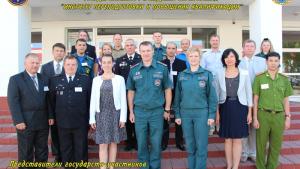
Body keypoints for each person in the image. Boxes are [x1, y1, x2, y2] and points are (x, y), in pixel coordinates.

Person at [127, 41, 172, 169]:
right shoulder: (134, 70)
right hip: (139, 112)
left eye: (148, 50)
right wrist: (131, 111)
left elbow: (168, 90)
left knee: (156, 142)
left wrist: (167, 110)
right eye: (143, 51)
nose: (146, 53)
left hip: (157, 112)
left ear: (153, 51)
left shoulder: (162, 68)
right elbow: (131, 92)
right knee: (141, 143)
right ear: (139, 52)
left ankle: (155, 166)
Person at [173, 47, 217, 169]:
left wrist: (211, 115)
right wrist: (177, 114)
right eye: (191, 56)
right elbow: (177, 96)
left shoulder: (207, 74)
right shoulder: (182, 75)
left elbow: (212, 97)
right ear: (187, 58)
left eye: (196, 56)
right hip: (185, 114)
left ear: (200, 58)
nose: (193, 58)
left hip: (202, 114)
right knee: (190, 146)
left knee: (201, 146)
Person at [7, 53, 54, 169]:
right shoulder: (16, 79)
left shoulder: (44, 78)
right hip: (25, 122)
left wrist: (50, 116)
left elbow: (48, 99)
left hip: (42, 121)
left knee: (42, 150)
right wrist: (18, 121)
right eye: (32, 62)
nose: (35, 65)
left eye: (37, 63)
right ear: (25, 64)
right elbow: (13, 102)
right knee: (26, 152)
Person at [49, 55, 91, 167]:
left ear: (77, 66)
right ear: (64, 65)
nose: (71, 67)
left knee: (81, 147)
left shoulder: (85, 79)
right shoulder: (55, 80)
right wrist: (51, 116)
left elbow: (89, 101)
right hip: (62, 121)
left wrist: (90, 118)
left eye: (73, 64)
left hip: (80, 120)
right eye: (68, 64)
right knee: (65, 147)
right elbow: (51, 101)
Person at [253, 52, 293, 169]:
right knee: (261, 145)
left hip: (279, 116)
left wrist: (288, 117)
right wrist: (255, 117)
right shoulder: (259, 78)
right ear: (266, 62)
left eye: (276, 61)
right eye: (271, 61)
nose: (273, 63)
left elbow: (286, 100)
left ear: (279, 62)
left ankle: (271, 166)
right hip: (263, 115)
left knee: (276, 145)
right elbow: (255, 99)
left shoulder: (284, 79)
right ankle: (260, 167)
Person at [214, 48, 253, 169]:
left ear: (236, 58)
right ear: (223, 60)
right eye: (226, 57)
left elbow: (248, 93)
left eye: (231, 56)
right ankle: (229, 165)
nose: (229, 59)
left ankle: (235, 166)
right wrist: (217, 113)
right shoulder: (219, 73)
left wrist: (250, 113)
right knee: (227, 139)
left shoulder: (244, 72)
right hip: (224, 107)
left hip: (240, 107)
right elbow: (216, 94)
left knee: (237, 139)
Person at [90, 54, 127, 169]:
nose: (106, 64)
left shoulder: (119, 79)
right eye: (104, 62)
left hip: (115, 114)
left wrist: (123, 118)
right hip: (101, 114)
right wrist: (92, 118)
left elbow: (123, 99)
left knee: (113, 143)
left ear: (113, 63)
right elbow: (93, 100)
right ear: (101, 64)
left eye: (109, 62)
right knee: (102, 143)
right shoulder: (96, 80)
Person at [239, 39, 267, 162]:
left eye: (252, 46)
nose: (249, 48)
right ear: (243, 48)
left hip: (258, 98)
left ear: (255, 49)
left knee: (256, 126)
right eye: (247, 46)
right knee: (244, 126)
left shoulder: (262, 61)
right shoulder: (238, 63)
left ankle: (253, 152)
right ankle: (244, 152)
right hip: (242, 98)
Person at [40, 43, 66, 162]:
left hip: (66, 103)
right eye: (57, 51)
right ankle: (57, 155)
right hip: (51, 103)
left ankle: (66, 153)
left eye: (61, 51)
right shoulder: (45, 68)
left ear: (64, 53)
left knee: (64, 131)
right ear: (53, 52)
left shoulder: (69, 65)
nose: (59, 53)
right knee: (54, 131)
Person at [115, 38, 141, 151]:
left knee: (138, 117)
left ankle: (137, 141)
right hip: (125, 93)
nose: (129, 47)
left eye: (131, 45)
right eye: (127, 45)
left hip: (139, 92)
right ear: (125, 47)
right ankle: (129, 141)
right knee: (127, 117)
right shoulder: (119, 60)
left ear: (135, 47)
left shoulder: (141, 59)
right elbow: (116, 78)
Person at [161, 42, 186, 151]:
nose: (171, 50)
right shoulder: (161, 63)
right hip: (164, 94)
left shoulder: (182, 63)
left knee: (178, 118)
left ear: (176, 50)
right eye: (169, 48)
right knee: (164, 119)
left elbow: (184, 80)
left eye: (173, 48)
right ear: (166, 50)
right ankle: (163, 143)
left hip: (178, 94)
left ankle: (179, 142)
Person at [200, 34, 223, 136]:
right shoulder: (205, 55)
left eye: (216, 40)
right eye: (213, 40)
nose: (215, 42)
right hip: (209, 81)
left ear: (219, 41)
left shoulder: (223, 54)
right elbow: (202, 68)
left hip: (222, 81)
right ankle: (211, 126)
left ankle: (220, 126)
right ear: (210, 42)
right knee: (211, 103)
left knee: (221, 102)